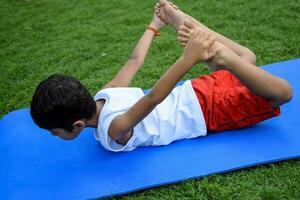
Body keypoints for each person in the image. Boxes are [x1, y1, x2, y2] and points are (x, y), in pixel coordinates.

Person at [30, 0, 293, 152]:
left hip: (207, 112)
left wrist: (189, 58)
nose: (55, 136)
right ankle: (200, 33)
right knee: (247, 58)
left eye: (54, 132)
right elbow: (135, 61)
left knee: (282, 95)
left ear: (76, 125)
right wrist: (154, 27)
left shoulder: (113, 131)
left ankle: (218, 56)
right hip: (195, 90)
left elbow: (155, 97)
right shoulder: (105, 92)